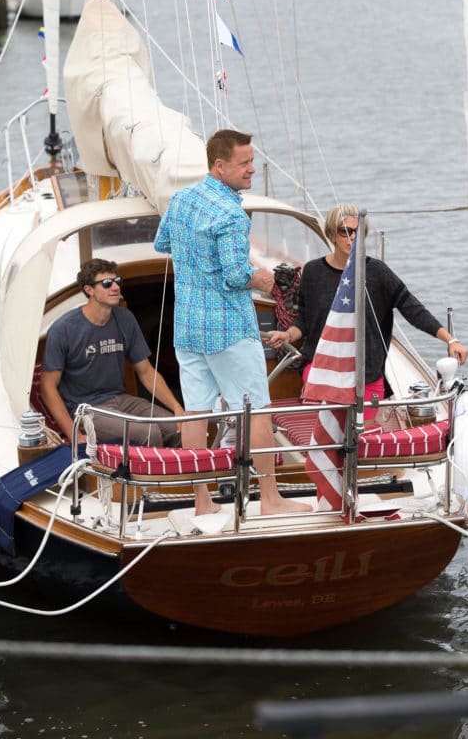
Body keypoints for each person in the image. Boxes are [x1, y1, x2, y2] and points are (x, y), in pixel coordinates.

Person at [155, 128, 311, 517]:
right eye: (244, 163)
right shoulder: (231, 214)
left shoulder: (181, 200)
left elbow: (163, 244)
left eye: (252, 161)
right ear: (219, 165)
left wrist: (202, 260)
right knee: (257, 409)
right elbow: (237, 275)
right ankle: (271, 501)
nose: (252, 169)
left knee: (196, 412)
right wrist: (273, 280)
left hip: (188, 326)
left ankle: (203, 503)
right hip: (227, 328)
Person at [266, 204, 468, 417]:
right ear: (332, 234)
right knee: (324, 440)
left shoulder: (377, 272)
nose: (352, 237)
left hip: (367, 374)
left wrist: (450, 340)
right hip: (323, 371)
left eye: (358, 232)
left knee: (363, 440)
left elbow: (412, 309)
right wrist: (287, 334)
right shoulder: (312, 272)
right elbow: (304, 321)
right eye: (345, 231)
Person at [40, 259, 182, 447]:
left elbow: (146, 371)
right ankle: (152, 477)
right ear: (89, 290)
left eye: (117, 281)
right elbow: (47, 387)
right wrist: (73, 433)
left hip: (120, 399)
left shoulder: (125, 318)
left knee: (177, 428)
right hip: (86, 409)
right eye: (107, 284)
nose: (115, 287)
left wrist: (177, 409)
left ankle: (177, 475)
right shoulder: (63, 329)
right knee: (150, 433)